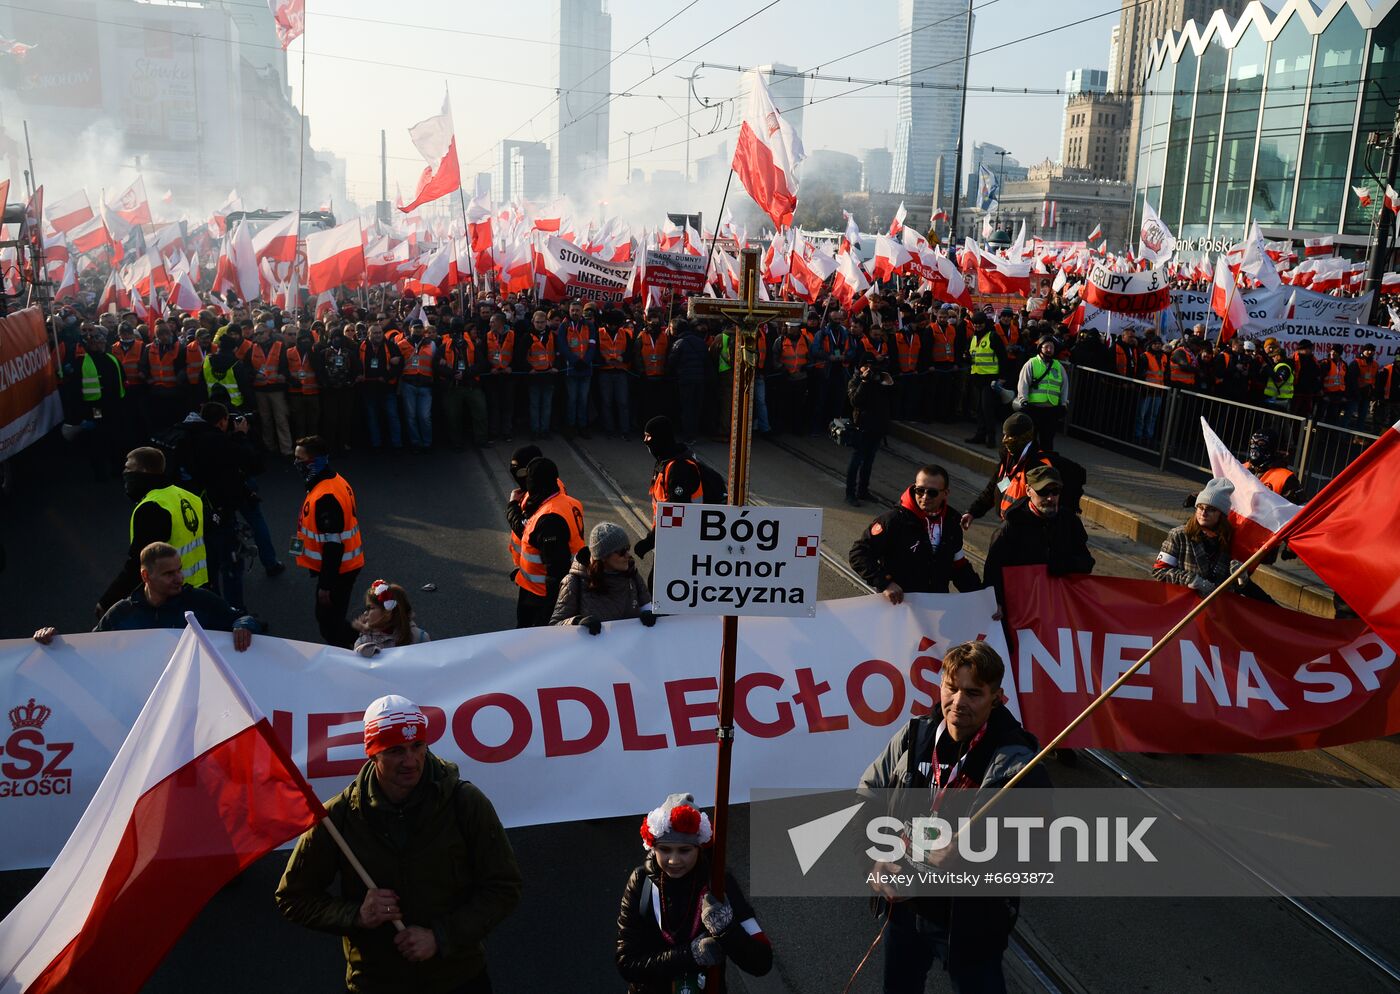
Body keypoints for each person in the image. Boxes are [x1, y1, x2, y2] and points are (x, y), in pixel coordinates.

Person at [275, 696, 522, 994]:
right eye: (395, 751)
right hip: (375, 982)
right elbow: (293, 898)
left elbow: (504, 886)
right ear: (372, 754)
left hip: (458, 978)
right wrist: (356, 915)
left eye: (417, 746)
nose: (410, 761)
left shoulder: (464, 802)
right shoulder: (338, 818)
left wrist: (440, 937)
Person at [858, 640, 1049, 994]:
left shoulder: (1019, 763)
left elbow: (1036, 845)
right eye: (952, 688)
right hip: (905, 906)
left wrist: (971, 855)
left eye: (973, 693)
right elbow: (869, 794)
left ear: (997, 697)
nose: (958, 702)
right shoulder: (915, 735)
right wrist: (875, 856)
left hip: (970, 921)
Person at [615, 791, 773, 993]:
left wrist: (727, 929)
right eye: (664, 849)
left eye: (684, 850)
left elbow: (762, 963)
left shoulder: (719, 882)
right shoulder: (640, 882)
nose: (674, 860)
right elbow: (626, 964)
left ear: (699, 848)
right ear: (652, 848)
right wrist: (690, 955)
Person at [35, 542, 254, 651]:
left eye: (179, 569)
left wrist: (244, 624)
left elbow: (242, 619)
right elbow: (90, 650)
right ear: (145, 575)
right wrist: (53, 640)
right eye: (169, 573)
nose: (179, 578)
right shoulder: (121, 613)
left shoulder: (201, 601)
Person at [97, 446, 208, 618]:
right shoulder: (189, 497)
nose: (125, 473)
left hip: (168, 593)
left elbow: (138, 563)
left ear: (144, 471)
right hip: (198, 588)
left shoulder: (152, 508)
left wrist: (107, 601)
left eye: (128, 468)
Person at [849, 464, 981, 600]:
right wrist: (884, 583)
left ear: (945, 493)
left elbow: (959, 566)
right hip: (900, 605)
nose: (924, 497)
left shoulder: (952, 522)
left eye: (932, 492)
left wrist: (983, 598)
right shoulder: (893, 521)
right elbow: (859, 554)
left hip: (936, 605)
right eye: (920, 490)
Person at [981, 465, 1095, 604]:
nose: (1050, 498)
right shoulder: (1012, 526)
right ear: (1028, 491)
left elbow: (1086, 562)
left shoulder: (1069, 521)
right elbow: (993, 571)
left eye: (1055, 491)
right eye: (1043, 492)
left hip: (1058, 604)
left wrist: (1064, 565)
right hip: (1021, 605)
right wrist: (995, 602)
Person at [293, 435, 366, 648]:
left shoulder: (325, 496)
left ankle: (358, 647)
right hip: (343, 566)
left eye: (300, 459)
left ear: (316, 462)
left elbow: (333, 545)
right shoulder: (331, 482)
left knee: (329, 623)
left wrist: (325, 585)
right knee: (331, 617)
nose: (296, 464)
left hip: (339, 569)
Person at [512, 456, 586, 627]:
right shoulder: (570, 503)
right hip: (547, 589)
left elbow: (555, 569)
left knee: (528, 640)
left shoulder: (549, 518)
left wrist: (549, 612)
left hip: (539, 596)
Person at [550, 522, 657, 631]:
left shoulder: (632, 574)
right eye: (622, 552)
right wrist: (577, 622)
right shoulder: (574, 582)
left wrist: (650, 614)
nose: (628, 555)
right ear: (603, 556)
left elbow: (648, 608)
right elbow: (555, 626)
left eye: (627, 548)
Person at [1153, 478, 1248, 598]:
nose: (1203, 513)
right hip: (1184, 606)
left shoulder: (1229, 539)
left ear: (1221, 515)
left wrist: (1240, 577)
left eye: (1211, 509)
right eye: (1200, 507)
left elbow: (1232, 587)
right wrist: (1190, 580)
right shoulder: (1179, 535)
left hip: (1216, 609)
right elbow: (1159, 571)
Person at [962, 414, 1055, 528]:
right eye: (1004, 434)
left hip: (1025, 529)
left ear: (1023, 438)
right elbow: (996, 487)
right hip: (1008, 525)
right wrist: (973, 512)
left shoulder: (1038, 465)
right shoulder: (1009, 457)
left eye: (1009, 436)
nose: (1004, 440)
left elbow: (1043, 505)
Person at [634, 416, 704, 564]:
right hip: (667, 539)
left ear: (660, 438)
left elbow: (676, 513)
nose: (645, 441)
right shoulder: (664, 462)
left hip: (680, 541)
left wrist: (649, 542)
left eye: (648, 436)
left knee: (657, 584)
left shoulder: (678, 468)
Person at [844, 357, 895, 506]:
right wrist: (865, 382)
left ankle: (863, 491)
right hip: (863, 426)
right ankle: (850, 493)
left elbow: (893, 396)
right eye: (865, 366)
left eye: (871, 367)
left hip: (878, 426)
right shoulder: (855, 381)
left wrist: (889, 382)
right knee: (857, 460)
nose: (869, 369)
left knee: (869, 461)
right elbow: (855, 401)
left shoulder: (879, 380)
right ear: (860, 368)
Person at [1015, 335, 1068, 452]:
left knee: (1047, 442)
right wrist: (1023, 401)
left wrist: (1063, 404)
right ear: (1040, 348)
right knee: (1030, 441)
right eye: (1046, 347)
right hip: (1033, 409)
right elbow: (1023, 383)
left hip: (1051, 410)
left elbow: (1064, 387)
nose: (1049, 350)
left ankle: (1045, 467)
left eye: (1052, 347)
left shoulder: (1058, 366)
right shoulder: (1031, 363)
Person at [351, 579, 429, 657]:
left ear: (387, 612)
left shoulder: (419, 638)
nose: (365, 613)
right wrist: (363, 651)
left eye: (371, 608)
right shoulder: (365, 641)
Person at [964, 312, 1007, 448]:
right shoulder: (973, 338)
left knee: (987, 409)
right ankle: (980, 435)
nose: (977, 326)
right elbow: (972, 355)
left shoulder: (993, 337)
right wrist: (967, 357)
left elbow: (1003, 357)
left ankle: (991, 438)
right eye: (975, 324)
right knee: (980, 409)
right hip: (977, 378)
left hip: (990, 379)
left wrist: (1002, 378)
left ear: (985, 323)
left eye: (980, 323)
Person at [559, 301, 598, 438]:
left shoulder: (590, 326)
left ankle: (582, 426)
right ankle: (571, 426)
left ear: (582, 311)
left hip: (586, 369)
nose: (575, 312)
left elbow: (593, 345)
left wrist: (585, 361)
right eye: (572, 310)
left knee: (583, 399)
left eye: (577, 310)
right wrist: (575, 361)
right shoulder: (564, 326)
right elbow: (562, 346)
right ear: (569, 311)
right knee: (572, 399)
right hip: (571, 369)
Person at [1242, 430, 1302, 502]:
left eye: (1261, 443)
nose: (1254, 446)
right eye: (1252, 442)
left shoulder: (1286, 478)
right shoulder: (1242, 467)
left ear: (1273, 448)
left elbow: (1296, 509)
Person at [1261, 338, 1295, 412]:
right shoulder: (1279, 365)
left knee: (1275, 422)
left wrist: (1268, 369)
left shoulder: (1284, 367)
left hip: (1281, 399)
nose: (1272, 358)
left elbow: (1279, 380)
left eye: (1274, 356)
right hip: (1275, 397)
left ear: (1279, 356)